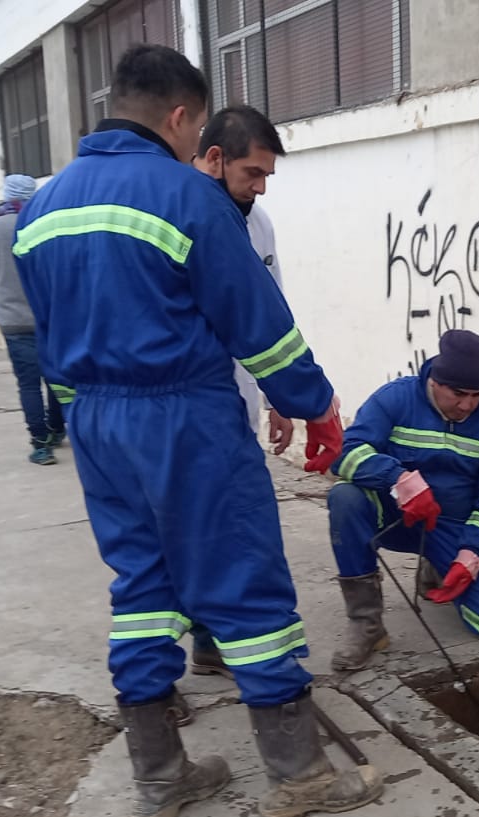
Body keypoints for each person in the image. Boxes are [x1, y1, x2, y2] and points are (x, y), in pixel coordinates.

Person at [12, 45, 381, 817]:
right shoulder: (186, 197)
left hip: (96, 423)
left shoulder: (41, 211)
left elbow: (51, 338)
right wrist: (312, 403)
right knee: (242, 578)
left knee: (142, 589)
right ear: (181, 117)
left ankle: (159, 776)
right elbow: (258, 323)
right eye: (191, 130)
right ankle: (297, 772)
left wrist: (84, 417)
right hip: (184, 417)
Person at [324, 329, 479, 670]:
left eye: (477, 395)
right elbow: (345, 454)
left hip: (453, 527)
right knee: (345, 498)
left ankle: (438, 564)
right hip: (397, 517)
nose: (467, 405)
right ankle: (366, 623)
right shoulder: (395, 400)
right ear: (434, 380)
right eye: (458, 393)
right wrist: (400, 480)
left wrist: (472, 554)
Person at [184, 105, 295, 678]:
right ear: (214, 158)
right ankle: (186, 650)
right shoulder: (181, 215)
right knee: (191, 528)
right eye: (253, 173)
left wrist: (280, 399)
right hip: (183, 406)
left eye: (267, 176)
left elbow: (270, 314)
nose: (260, 186)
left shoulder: (259, 224)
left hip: (238, 402)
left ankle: (211, 641)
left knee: (228, 523)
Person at [0, 173, 64, 465]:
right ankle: (57, 429)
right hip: (51, 318)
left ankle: (41, 445)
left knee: (29, 384)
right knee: (57, 378)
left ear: (7, 195)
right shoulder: (48, 223)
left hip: (14, 321)